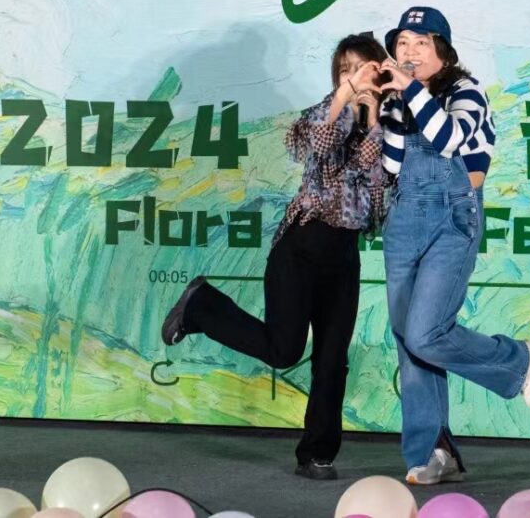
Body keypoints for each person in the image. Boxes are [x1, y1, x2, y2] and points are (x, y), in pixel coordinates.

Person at [161, 34, 388, 480]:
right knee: (284, 351)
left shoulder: (386, 126)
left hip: (343, 258)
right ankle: (201, 306)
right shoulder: (329, 112)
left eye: (363, 68)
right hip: (300, 250)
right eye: (345, 70)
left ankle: (317, 454)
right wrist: (346, 96)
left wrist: (375, 115)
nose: (354, 77)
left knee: (332, 360)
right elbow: (315, 145)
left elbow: (376, 192)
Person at [377, 7, 530, 485]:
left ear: (444, 51)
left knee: (426, 333)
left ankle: (518, 359)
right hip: (405, 218)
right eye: (402, 43)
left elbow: (450, 139)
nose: (409, 52)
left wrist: (410, 91)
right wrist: (385, 107)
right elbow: (392, 168)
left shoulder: (467, 92)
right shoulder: (400, 99)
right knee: (408, 340)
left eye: (421, 43)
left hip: (453, 217)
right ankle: (431, 450)